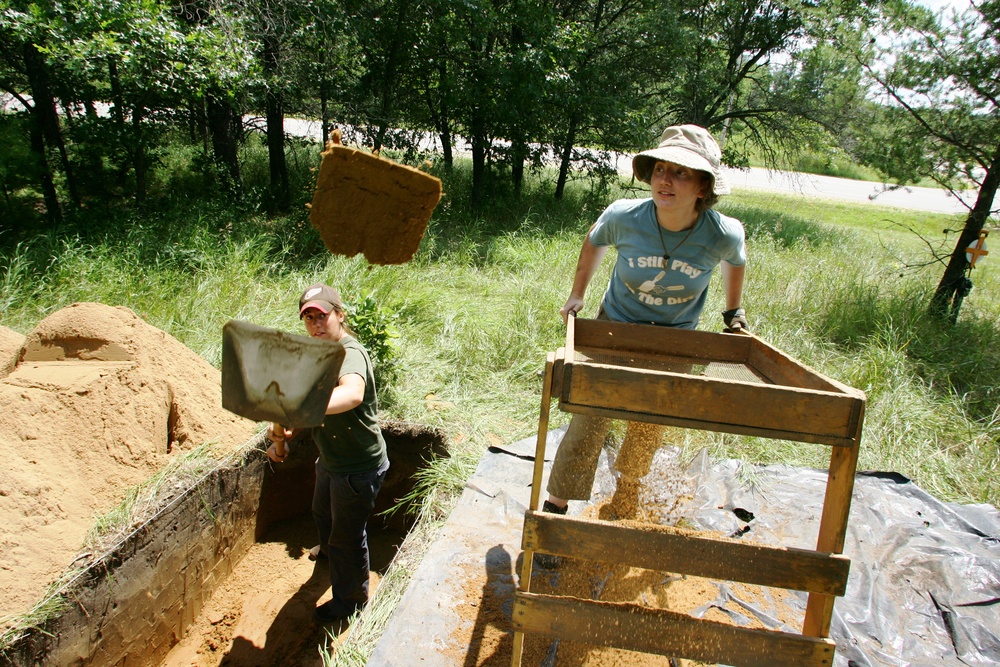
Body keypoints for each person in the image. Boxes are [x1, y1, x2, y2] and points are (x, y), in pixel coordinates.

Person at [542, 124, 748, 524]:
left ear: (703, 188)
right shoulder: (625, 216)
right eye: (659, 169)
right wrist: (576, 292)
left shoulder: (722, 233)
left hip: (674, 342)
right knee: (590, 414)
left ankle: (628, 493)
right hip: (614, 329)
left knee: (649, 422)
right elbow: (595, 239)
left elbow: (735, 263)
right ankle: (557, 506)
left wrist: (733, 312)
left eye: (681, 172)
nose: (665, 180)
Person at [266, 283, 390, 624]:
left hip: (359, 466)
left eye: (322, 316)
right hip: (332, 459)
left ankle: (351, 601)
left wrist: (298, 408)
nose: (316, 325)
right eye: (308, 318)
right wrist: (287, 432)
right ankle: (328, 554)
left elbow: (350, 394)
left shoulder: (349, 353)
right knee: (322, 513)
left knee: (348, 537)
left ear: (339, 315)